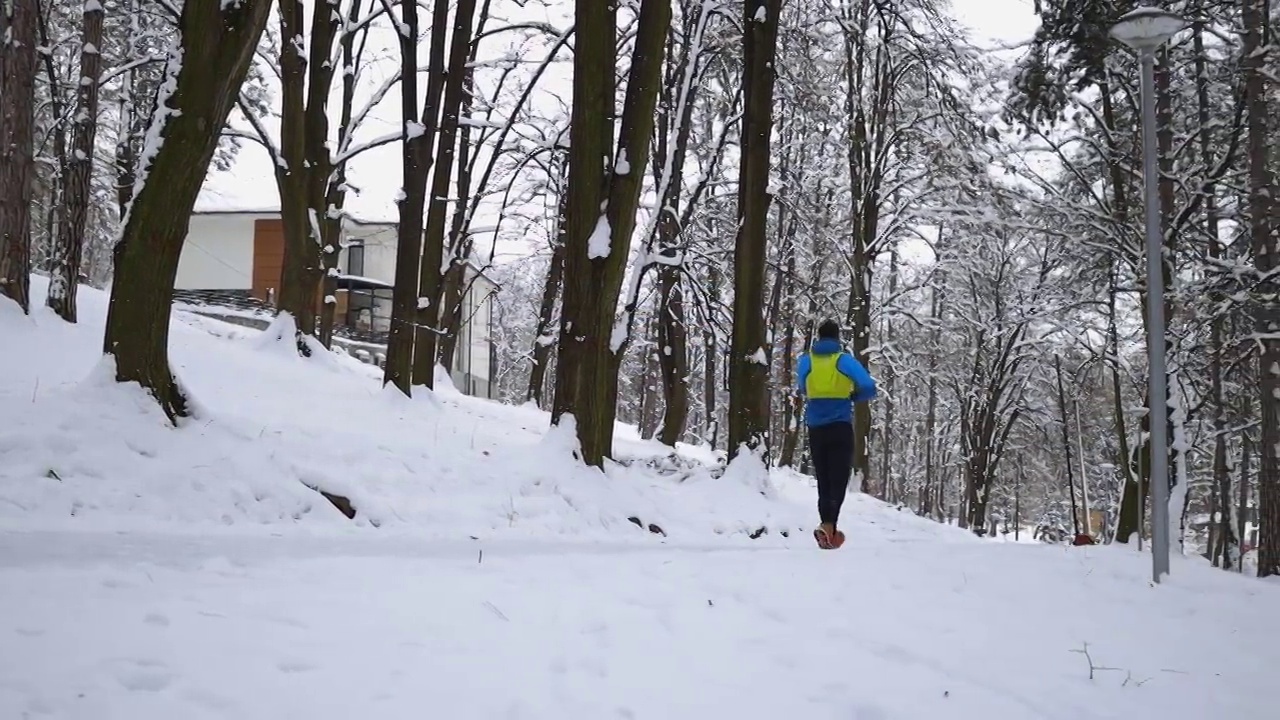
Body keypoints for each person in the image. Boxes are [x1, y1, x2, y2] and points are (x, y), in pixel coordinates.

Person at [795, 319, 877, 549]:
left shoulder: (806, 361)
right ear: (837, 338)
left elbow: (802, 388)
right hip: (840, 425)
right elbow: (869, 387)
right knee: (838, 478)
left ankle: (827, 526)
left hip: (815, 427)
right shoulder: (844, 361)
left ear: (818, 339)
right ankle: (830, 525)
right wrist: (851, 397)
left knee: (824, 478)